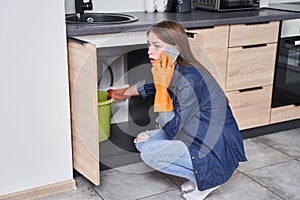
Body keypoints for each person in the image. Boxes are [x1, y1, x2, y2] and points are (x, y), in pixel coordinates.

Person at [108, 20, 247, 200]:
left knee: (150, 154)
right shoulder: (170, 68)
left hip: (213, 148)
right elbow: (144, 86)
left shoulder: (189, 81)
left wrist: (161, 88)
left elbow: (173, 128)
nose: (150, 51)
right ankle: (200, 175)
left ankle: (210, 178)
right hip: (195, 135)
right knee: (142, 142)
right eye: (149, 44)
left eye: (157, 46)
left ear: (175, 49)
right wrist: (115, 93)